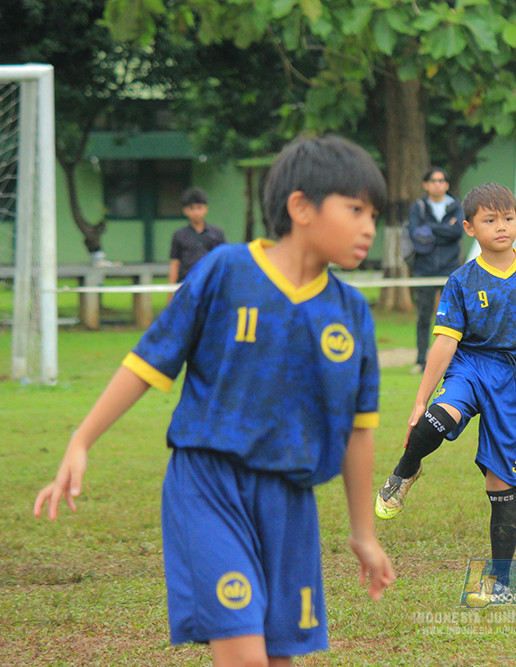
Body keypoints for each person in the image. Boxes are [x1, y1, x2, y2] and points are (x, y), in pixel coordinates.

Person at [34, 135, 395, 666]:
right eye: (356, 209)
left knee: (277, 658)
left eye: (374, 214)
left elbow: (358, 431)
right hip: (208, 484)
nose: (369, 226)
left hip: (291, 501)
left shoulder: (351, 313)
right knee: (244, 656)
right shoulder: (228, 270)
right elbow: (148, 362)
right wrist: (81, 439)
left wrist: (363, 533)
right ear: (301, 207)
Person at [374, 182, 516, 607]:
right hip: (470, 367)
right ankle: (404, 472)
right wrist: (421, 399)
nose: (502, 227)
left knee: (502, 485)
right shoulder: (461, 280)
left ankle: (501, 583)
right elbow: (444, 343)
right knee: (438, 417)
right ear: (469, 228)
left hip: (513, 381)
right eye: (490, 220)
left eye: (508, 218)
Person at [408, 167, 465, 374]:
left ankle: (454, 361)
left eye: (441, 180)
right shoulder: (419, 207)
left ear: (447, 184)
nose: (437, 184)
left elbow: (458, 231)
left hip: (450, 270)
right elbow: (416, 233)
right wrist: (444, 229)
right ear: (426, 185)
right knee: (424, 316)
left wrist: (430, 228)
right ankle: (421, 361)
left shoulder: (455, 205)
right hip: (424, 270)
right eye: (433, 181)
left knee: (452, 318)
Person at [167, 187, 227, 303]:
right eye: (192, 209)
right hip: (187, 284)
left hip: (211, 284)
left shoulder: (217, 234)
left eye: (199, 208)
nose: (196, 212)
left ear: (206, 209)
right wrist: (171, 292)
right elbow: (175, 263)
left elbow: (223, 261)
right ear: (185, 211)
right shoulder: (179, 235)